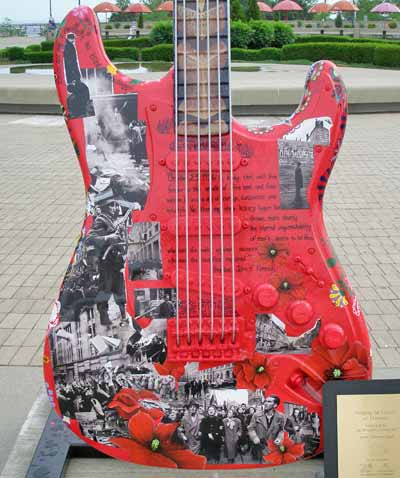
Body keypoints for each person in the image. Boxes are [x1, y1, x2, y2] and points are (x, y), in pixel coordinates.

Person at [85, 198, 129, 327]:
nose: (116, 208)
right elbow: (90, 238)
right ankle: (104, 320)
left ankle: (124, 317)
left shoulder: (112, 220)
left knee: (120, 290)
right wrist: (108, 237)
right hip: (106, 263)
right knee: (105, 290)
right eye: (112, 205)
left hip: (116, 262)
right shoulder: (101, 220)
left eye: (116, 205)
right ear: (105, 207)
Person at [247, 396, 284, 463]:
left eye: (269, 401)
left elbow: (281, 430)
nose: (266, 403)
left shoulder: (280, 416)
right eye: (265, 401)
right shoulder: (256, 415)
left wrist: (279, 438)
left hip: (273, 446)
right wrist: (254, 437)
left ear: (275, 405)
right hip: (260, 446)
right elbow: (250, 428)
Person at [64, 32, 92, 118]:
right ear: (70, 39)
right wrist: (75, 76)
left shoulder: (67, 46)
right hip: (73, 73)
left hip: (72, 74)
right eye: (73, 38)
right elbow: (71, 63)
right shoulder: (69, 47)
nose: (74, 40)